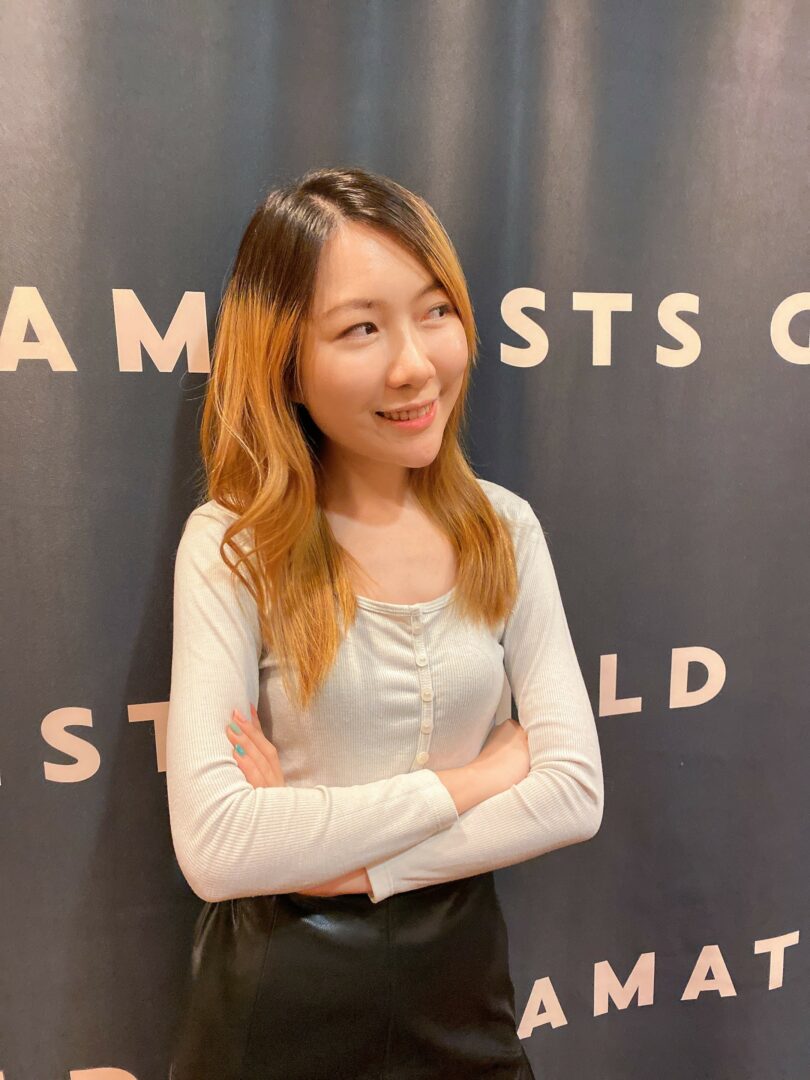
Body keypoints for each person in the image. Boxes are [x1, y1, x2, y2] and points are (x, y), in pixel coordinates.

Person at [166, 165, 604, 1080]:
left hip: (465, 996)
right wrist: (478, 778)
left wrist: (338, 862)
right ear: (285, 361)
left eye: (435, 311)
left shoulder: (505, 528)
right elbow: (219, 847)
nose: (414, 365)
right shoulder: (233, 543)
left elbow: (572, 793)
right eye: (361, 328)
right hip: (279, 1008)